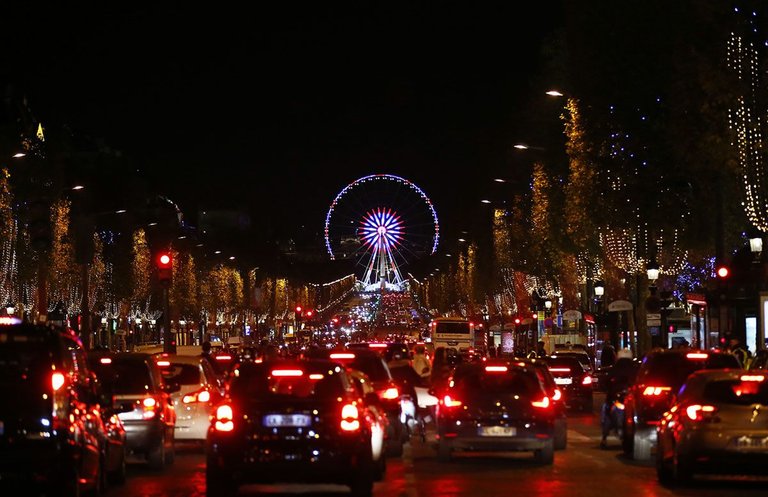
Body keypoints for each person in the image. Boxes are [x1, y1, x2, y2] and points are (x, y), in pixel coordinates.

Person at [600, 348, 637, 448]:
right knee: (606, 408)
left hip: (623, 398)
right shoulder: (635, 369)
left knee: (605, 410)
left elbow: (605, 381)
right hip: (620, 398)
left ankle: (604, 436)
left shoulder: (615, 369)